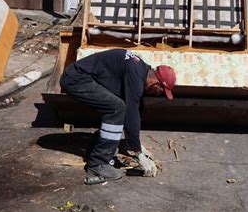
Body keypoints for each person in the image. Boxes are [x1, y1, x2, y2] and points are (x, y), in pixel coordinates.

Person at [60, 49, 176, 181]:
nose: (158, 94)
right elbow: (131, 114)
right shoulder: (136, 76)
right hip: (76, 79)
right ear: (155, 83)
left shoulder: (139, 70)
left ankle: (103, 141)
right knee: (117, 108)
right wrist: (138, 153)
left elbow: (135, 110)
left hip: (82, 77)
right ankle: (98, 164)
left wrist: (135, 143)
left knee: (119, 104)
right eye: (161, 91)